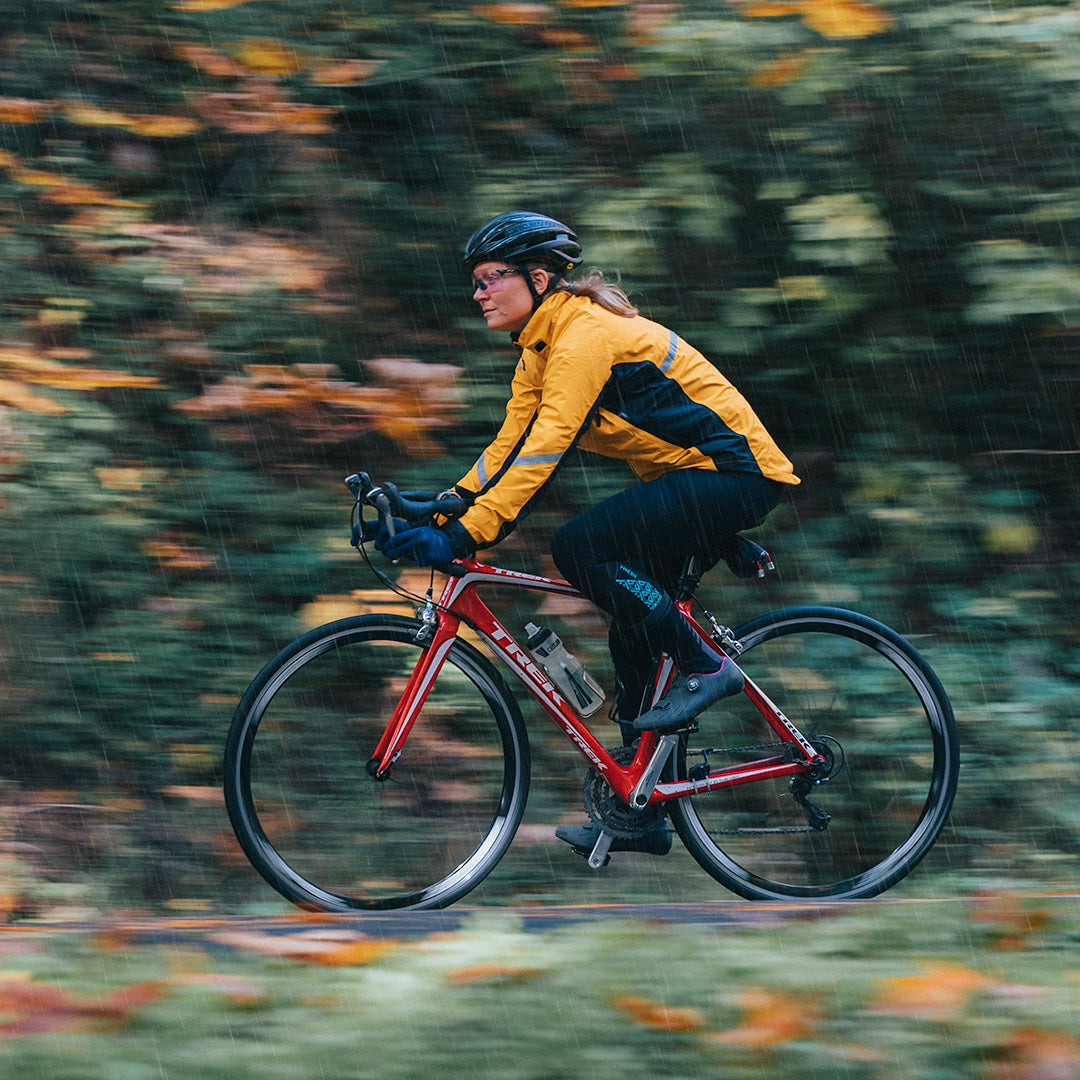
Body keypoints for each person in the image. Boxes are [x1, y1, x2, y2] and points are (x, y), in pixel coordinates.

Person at [377, 211, 800, 855]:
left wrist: (470, 536)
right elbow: (510, 443)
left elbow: (548, 444)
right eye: (477, 282)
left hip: (734, 475)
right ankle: (641, 808)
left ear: (539, 278)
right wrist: (445, 507)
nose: (478, 293)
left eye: (491, 278)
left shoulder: (583, 338)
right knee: (631, 623)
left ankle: (705, 665)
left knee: (580, 547)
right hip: (692, 482)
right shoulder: (539, 350)